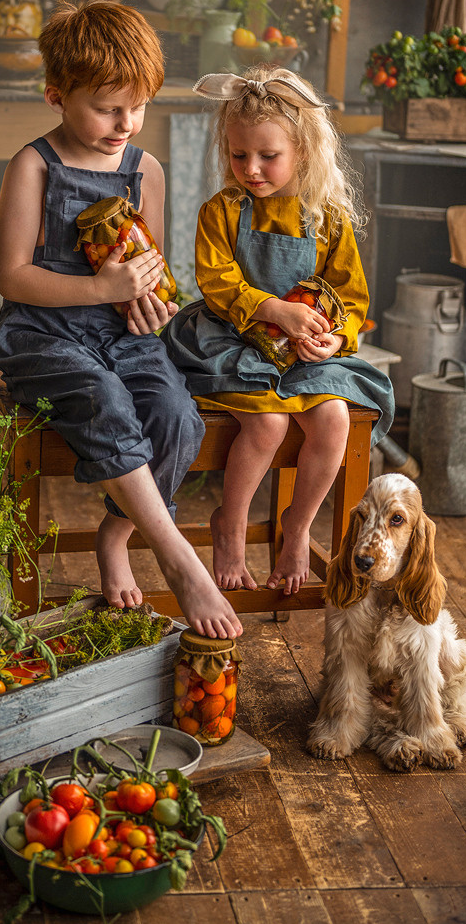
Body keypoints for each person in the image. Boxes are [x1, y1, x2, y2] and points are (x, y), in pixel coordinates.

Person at [0, 1, 242, 639]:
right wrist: (100, 286)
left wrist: (146, 300)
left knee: (176, 416)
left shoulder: (144, 170)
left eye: (139, 106)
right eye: (107, 108)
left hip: (122, 335)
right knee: (103, 396)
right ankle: (177, 556)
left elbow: (147, 266)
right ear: (57, 96)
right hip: (43, 334)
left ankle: (118, 531)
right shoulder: (33, 166)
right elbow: (12, 278)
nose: (125, 123)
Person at [163, 67, 394, 596]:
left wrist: (334, 338)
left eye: (268, 155)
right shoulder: (223, 210)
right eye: (238, 154)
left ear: (303, 152)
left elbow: (350, 298)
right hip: (232, 338)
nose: (251, 168)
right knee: (267, 424)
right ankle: (231, 523)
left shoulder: (326, 218)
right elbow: (217, 282)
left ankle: (298, 525)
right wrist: (273, 310)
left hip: (301, 352)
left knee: (333, 420)